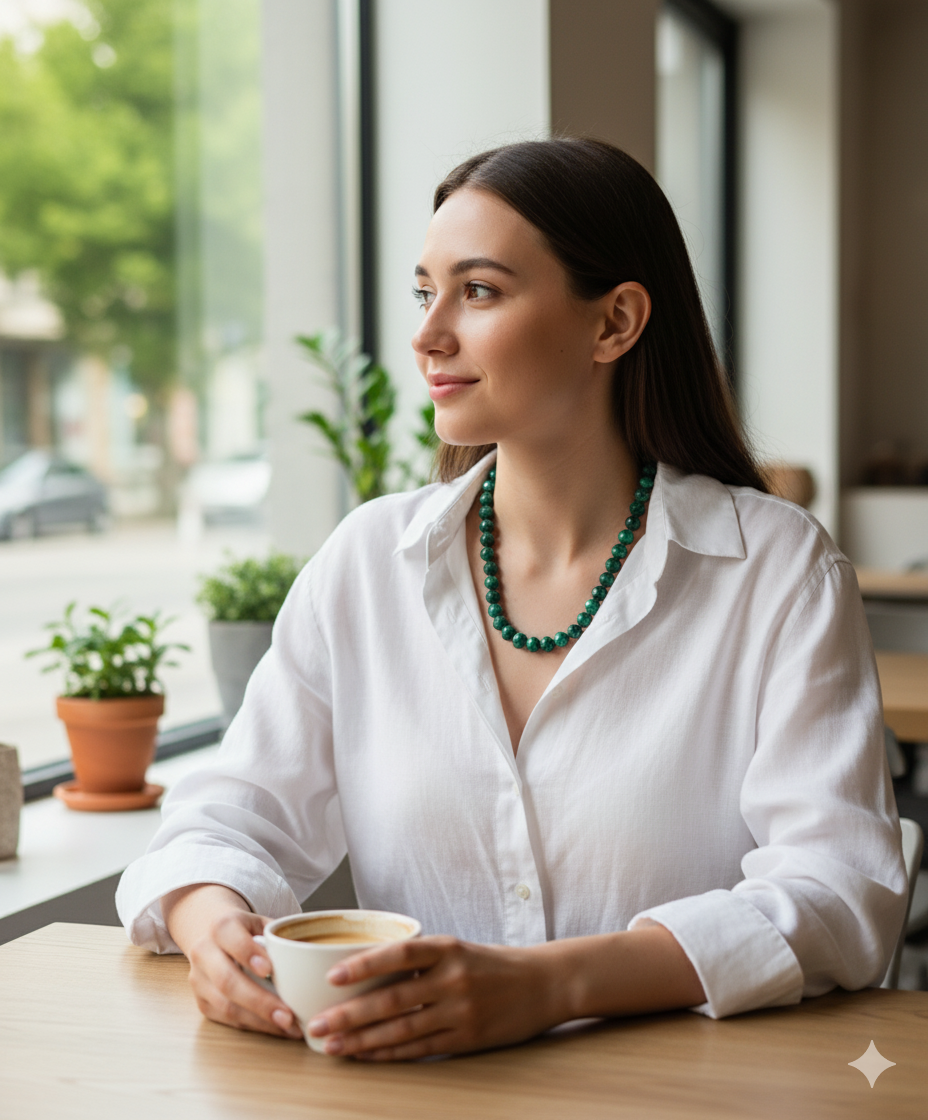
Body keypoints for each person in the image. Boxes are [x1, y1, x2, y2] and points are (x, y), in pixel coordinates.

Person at [117, 138, 908, 1061]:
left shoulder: (776, 570)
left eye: (479, 292)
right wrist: (213, 922)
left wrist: (550, 986)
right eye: (425, 292)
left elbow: (840, 892)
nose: (427, 333)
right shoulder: (368, 562)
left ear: (614, 323)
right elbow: (227, 816)